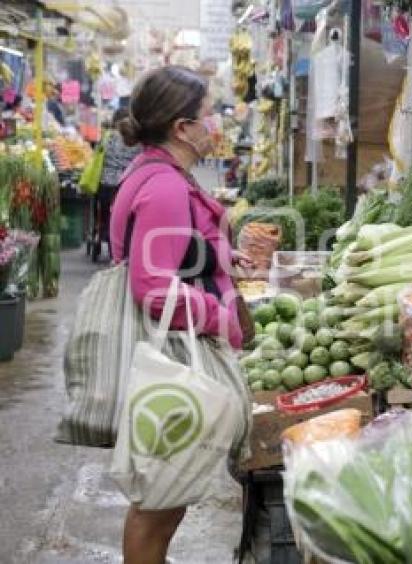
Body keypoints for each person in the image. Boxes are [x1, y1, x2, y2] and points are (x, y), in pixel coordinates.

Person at [109, 65, 251, 564]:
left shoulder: (157, 172)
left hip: (166, 351)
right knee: (158, 503)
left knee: (166, 494)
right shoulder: (165, 185)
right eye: (209, 115)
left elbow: (168, 252)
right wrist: (218, 314)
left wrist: (219, 258)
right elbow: (152, 285)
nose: (216, 125)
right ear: (181, 128)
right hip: (172, 354)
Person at [96, 107, 141, 258]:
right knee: (126, 220)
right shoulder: (137, 140)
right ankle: (124, 251)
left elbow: (98, 154)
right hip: (128, 184)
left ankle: (111, 250)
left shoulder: (107, 137)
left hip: (106, 182)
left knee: (108, 218)